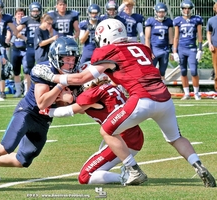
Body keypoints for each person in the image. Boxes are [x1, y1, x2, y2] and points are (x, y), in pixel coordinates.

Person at [32, 18, 216, 187]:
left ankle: (133, 170)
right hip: (164, 98)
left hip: (142, 98)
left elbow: (80, 78)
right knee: (175, 138)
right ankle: (198, 165)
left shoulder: (108, 52)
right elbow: (133, 69)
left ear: (104, 37)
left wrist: (53, 77)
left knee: (106, 130)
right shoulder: (141, 47)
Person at [0, 37, 80, 182]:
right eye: (66, 59)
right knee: (6, 146)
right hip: (28, 112)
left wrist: (68, 100)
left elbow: (72, 105)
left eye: (73, 59)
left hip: (44, 120)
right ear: (56, 57)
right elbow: (42, 103)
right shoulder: (44, 70)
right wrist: (60, 85)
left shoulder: (76, 73)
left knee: (23, 161)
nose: (70, 63)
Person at [40, 65, 144, 185]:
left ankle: (126, 177)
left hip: (123, 140)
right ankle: (129, 172)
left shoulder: (93, 94)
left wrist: (47, 111)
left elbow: (70, 111)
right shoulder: (110, 88)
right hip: (133, 136)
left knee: (85, 177)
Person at [173, 0, 203, 100]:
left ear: (191, 9)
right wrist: (174, 51)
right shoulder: (178, 20)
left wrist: (200, 49)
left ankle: (196, 93)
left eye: (188, 8)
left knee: (194, 71)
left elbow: (199, 35)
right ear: (182, 9)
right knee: (183, 71)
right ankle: (186, 93)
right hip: (181, 49)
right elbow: (176, 37)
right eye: (185, 8)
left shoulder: (196, 19)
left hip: (192, 49)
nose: (186, 10)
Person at [16, 2, 43, 96]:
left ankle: (41, 89)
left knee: (41, 68)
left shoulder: (43, 20)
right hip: (30, 46)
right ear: (30, 11)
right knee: (28, 70)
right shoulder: (26, 20)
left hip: (41, 47)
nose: (35, 13)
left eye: (37, 11)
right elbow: (16, 31)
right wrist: (24, 38)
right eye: (34, 11)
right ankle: (28, 90)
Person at [145, 2, 173, 80]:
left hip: (164, 50)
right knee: (151, 71)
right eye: (160, 12)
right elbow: (147, 38)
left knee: (162, 72)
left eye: (163, 12)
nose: (161, 14)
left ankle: (162, 90)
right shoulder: (151, 21)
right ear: (156, 12)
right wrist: (149, 51)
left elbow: (171, 38)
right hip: (154, 49)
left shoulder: (168, 22)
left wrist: (172, 51)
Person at [10, 8, 27, 98]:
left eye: (22, 14)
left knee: (26, 71)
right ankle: (18, 91)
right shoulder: (12, 25)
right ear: (15, 15)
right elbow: (9, 34)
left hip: (25, 50)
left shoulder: (27, 24)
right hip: (15, 49)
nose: (20, 15)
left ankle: (26, 91)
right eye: (18, 14)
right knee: (16, 72)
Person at [207, 2, 217, 95]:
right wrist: (210, 44)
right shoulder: (211, 20)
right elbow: (209, 33)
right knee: (216, 71)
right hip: (215, 47)